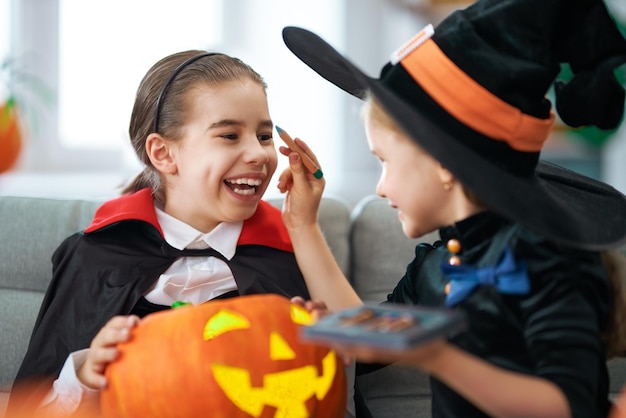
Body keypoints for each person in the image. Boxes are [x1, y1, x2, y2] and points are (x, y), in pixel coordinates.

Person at [276, 0, 626, 417]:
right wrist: (303, 225)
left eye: (384, 160)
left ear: (442, 162)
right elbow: (369, 342)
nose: (381, 185)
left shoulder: (548, 256)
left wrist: (437, 356)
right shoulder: (443, 262)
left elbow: (568, 405)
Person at [7, 50, 315, 416]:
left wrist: (308, 338)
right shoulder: (96, 256)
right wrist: (85, 376)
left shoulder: (286, 252)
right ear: (163, 154)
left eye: (265, 136)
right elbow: (29, 409)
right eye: (230, 135)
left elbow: (314, 391)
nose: (258, 154)